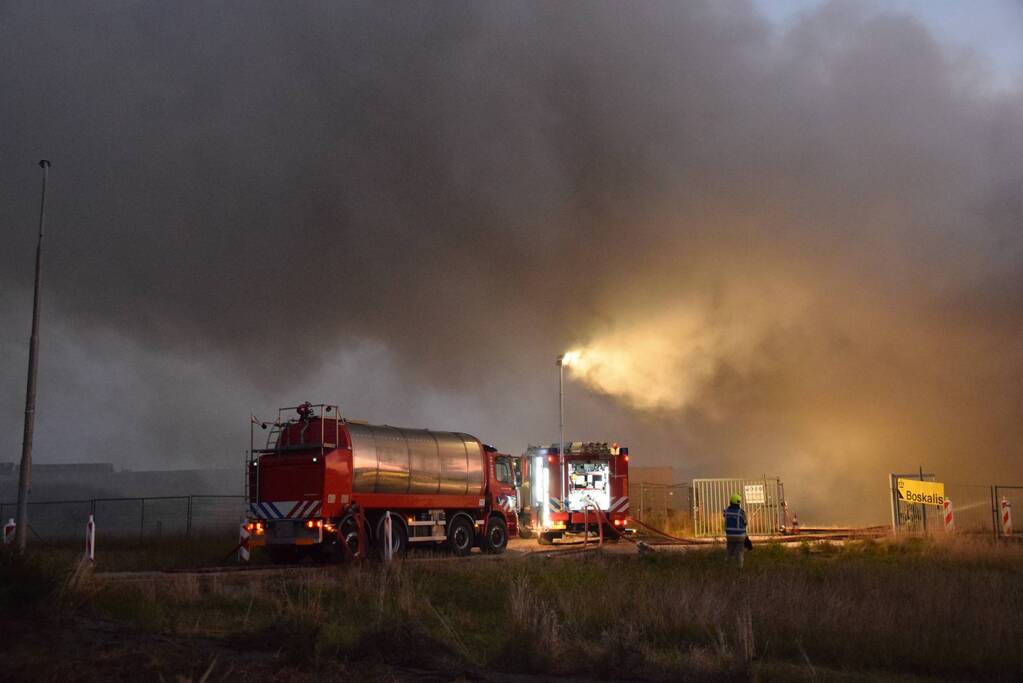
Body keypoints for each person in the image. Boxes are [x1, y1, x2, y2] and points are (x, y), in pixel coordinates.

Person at [723, 493, 748, 568]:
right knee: (740, 552)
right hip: (740, 536)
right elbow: (745, 522)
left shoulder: (726, 511)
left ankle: (727, 565)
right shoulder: (741, 512)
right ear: (739, 503)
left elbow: (724, 514)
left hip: (729, 535)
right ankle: (739, 568)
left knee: (729, 551)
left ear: (730, 502)